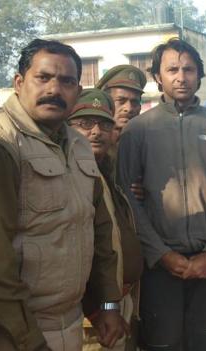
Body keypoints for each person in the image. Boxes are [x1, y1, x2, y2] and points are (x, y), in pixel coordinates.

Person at [0, 39, 122, 351]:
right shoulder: (4, 145)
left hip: (70, 322)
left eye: (66, 81)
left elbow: (99, 231)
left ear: (78, 91)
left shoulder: (77, 144)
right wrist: (27, 338)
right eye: (43, 77)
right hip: (15, 331)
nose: (54, 89)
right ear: (19, 82)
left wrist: (107, 305)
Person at [117, 38, 206, 351]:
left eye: (188, 69)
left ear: (199, 74)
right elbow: (126, 199)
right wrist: (160, 254)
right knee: (163, 344)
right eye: (172, 69)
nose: (180, 76)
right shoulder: (139, 130)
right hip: (159, 266)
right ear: (158, 77)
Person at [68, 89, 143, 351]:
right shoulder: (71, 176)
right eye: (85, 124)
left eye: (103, 124)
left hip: (116, 303)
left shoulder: (104, 171)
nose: (96, 131)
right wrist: (97, 309)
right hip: (91, 314)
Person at [95, 64, 146, 139]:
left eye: (134, 102)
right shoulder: (90, 144)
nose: (128, 109)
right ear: (105, 103)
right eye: (121, 101)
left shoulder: (148, 142)